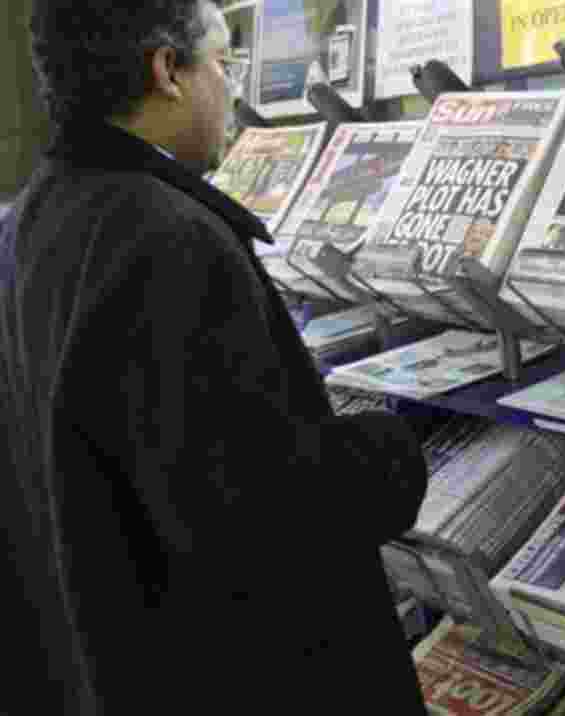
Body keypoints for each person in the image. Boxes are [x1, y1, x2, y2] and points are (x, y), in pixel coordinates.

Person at [1, 1, 429, 713]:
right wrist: (389, 455)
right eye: (224, 66)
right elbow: (257, 516)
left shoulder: (35, 217)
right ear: (167, 70)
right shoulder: (166, 237)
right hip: (227, 670)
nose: (230, 91)